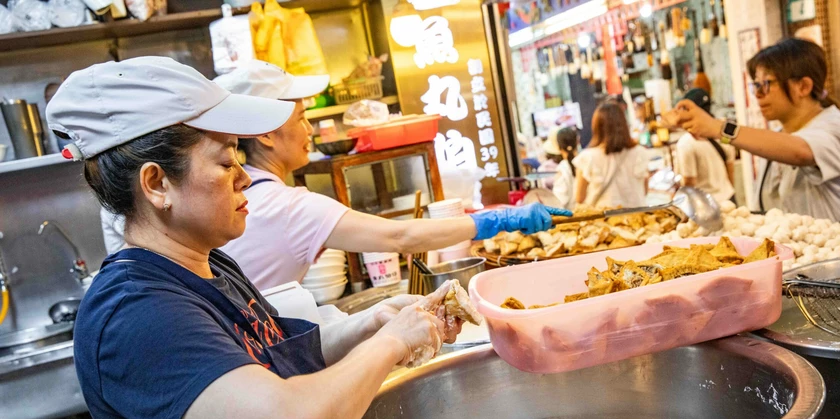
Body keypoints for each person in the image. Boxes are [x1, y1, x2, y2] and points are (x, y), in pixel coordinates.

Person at [47, 56, 466, 419]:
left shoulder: (210, 264)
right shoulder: (137, 313)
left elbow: (269, 360)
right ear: (157, 184)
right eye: (225, 163)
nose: (245, 178)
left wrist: (370, 324)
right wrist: (391, 342)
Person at [99, 61, 570, 289]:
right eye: (299, 117)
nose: (309, 129)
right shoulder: (284, 206)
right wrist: (500, 220)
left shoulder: (206, 249)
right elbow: (402, 234)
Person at [675, 38, 840, 222]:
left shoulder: (837, 126)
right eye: (755, 85)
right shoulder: (777, 134)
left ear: (804, 86)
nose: (758, 94)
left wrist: (719, 128)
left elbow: (801, 151)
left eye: (765, 84)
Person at [573, 103, 650, 208]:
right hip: (639, 220)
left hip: (603, 222)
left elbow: (579, 198)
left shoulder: (587, 158)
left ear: (597, 127)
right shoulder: (640, 152)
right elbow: (644, 191)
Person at [675, 88, 736, 203]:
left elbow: (689, 183)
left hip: (706, 206)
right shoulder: (723, 133)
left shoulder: (686, 143)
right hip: (729, 198)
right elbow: (730, 170)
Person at [552, 127, 579, 209]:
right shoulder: (585, 161)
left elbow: (559, 201)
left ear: (558, 146)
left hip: (572, 218)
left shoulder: (562, 168)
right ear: (578, 142)